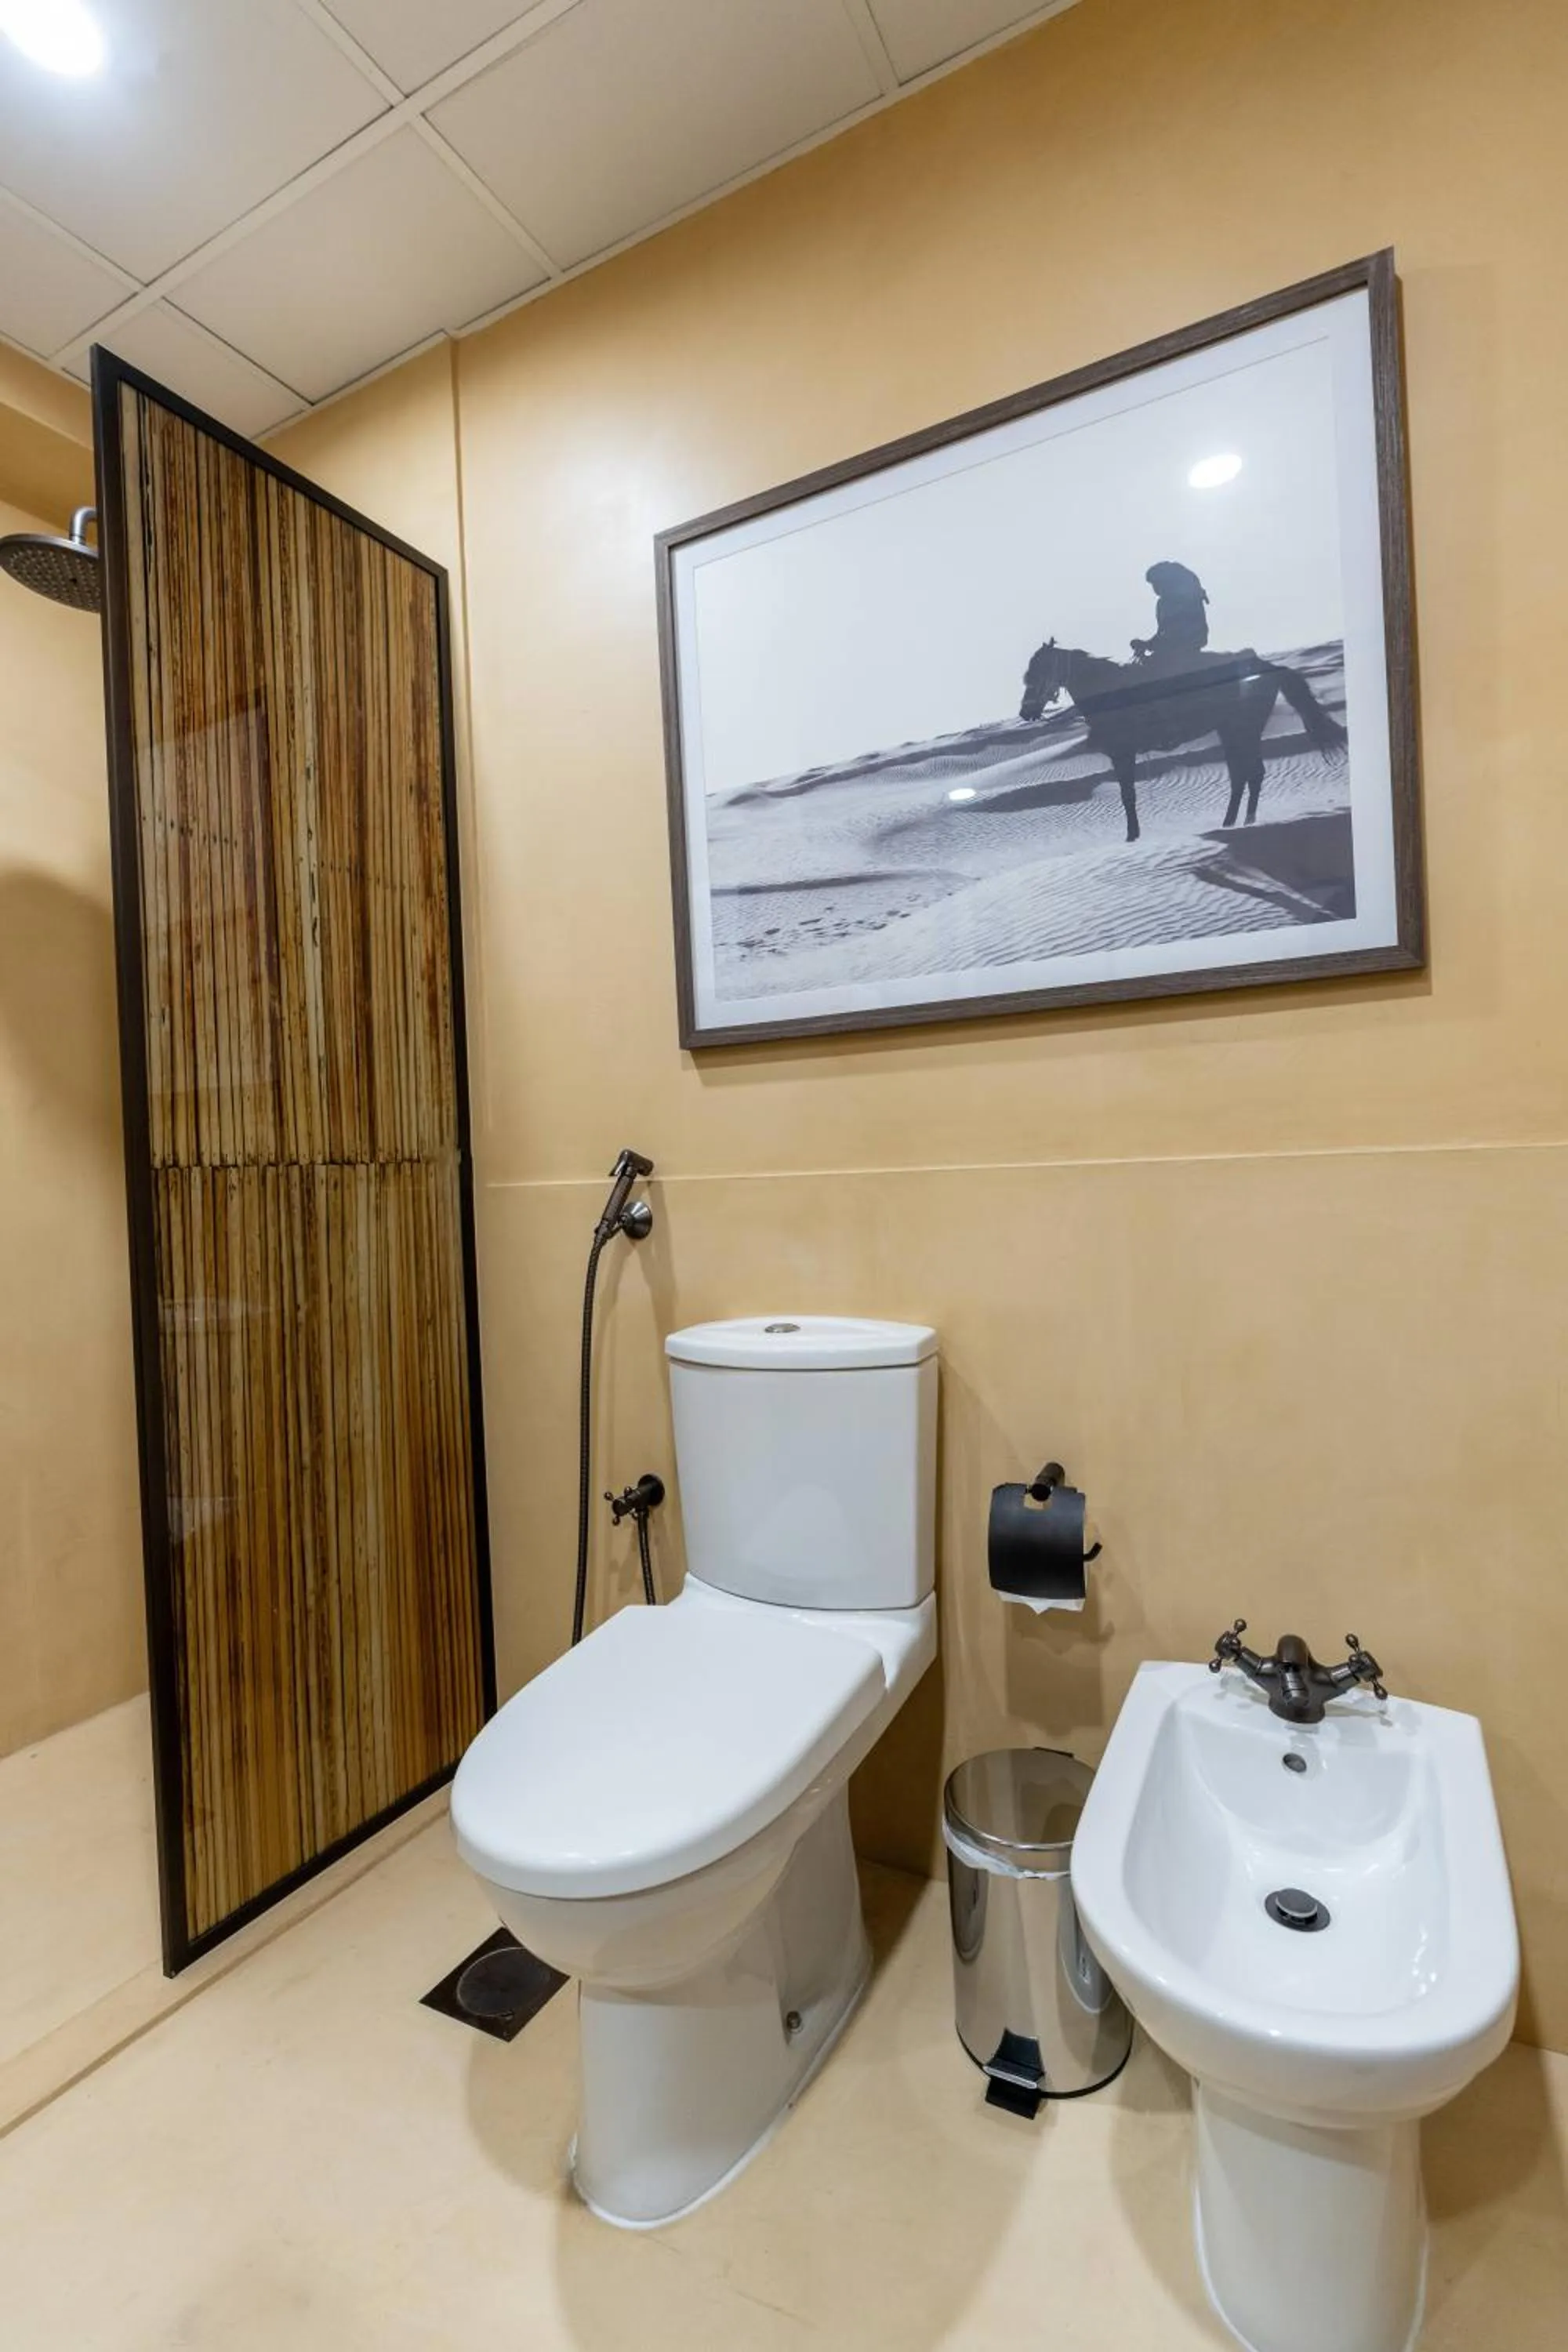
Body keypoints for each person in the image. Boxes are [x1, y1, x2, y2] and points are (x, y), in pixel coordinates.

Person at [1130, 561, 1209, 666]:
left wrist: (1151, 645)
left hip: (1185, 648)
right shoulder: (1163, 604)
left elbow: (1177, 634)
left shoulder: (1185, 600)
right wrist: (1147, 644)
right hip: (1173, 647)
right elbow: (1164, 633)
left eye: (1157, 583)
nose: (1155, 588)